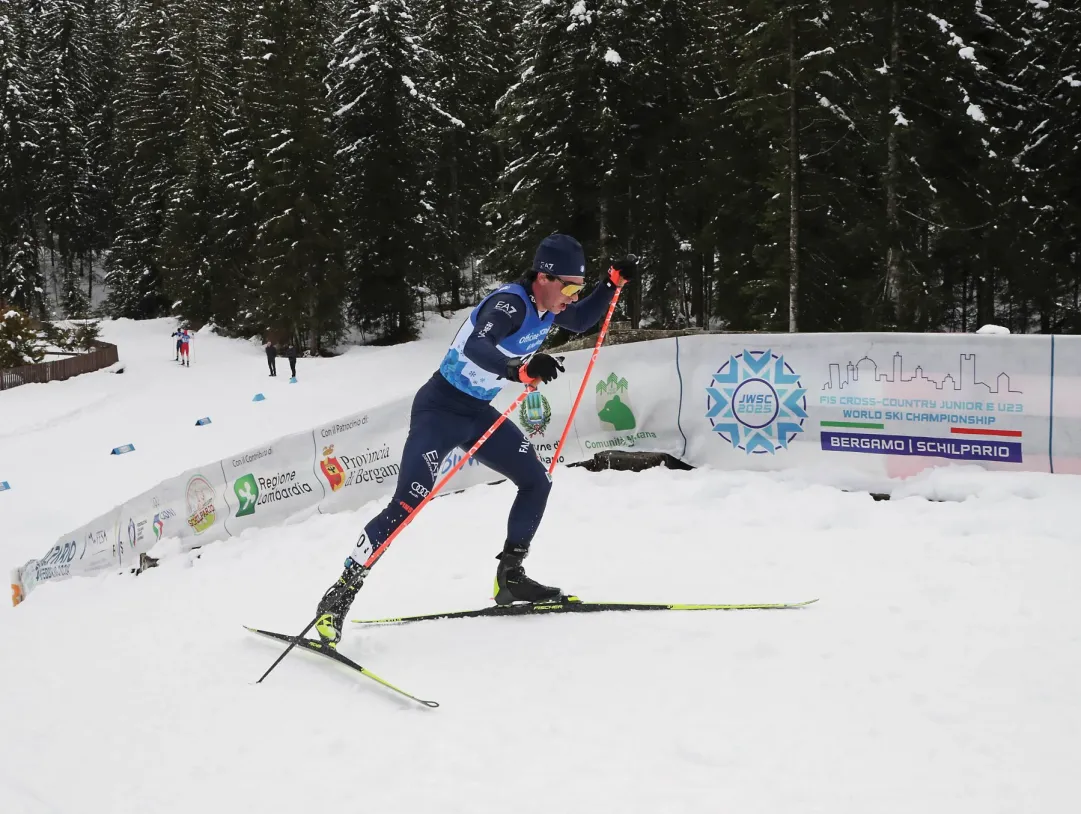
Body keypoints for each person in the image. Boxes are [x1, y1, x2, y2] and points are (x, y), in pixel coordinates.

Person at [312, 234, 637, 647]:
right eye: (569, 286)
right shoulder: (511, 303)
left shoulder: (550, 308)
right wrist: (518, 368)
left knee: (536, 481)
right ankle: (337, 597)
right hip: (439, 411)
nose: (573, 296)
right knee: (408, 502)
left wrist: (610, 284)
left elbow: (581, 320)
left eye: (578, 286)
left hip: (477, 415)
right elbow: (476, 344)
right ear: (543, 277)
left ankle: (511, 579)